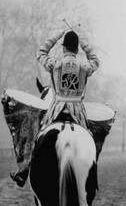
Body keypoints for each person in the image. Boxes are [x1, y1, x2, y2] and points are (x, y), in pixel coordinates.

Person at [10, 27, 100, 187]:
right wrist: (83, 41)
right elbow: (95, 59)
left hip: (56, 109)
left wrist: (57, 35)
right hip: (78, 112)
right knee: (91, 138)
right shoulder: (84, 67)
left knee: (37, 136)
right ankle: (92, 173)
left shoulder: (55, 64)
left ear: (64, 47)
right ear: (77, 48)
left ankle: (24, 170)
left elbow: (41, 52)